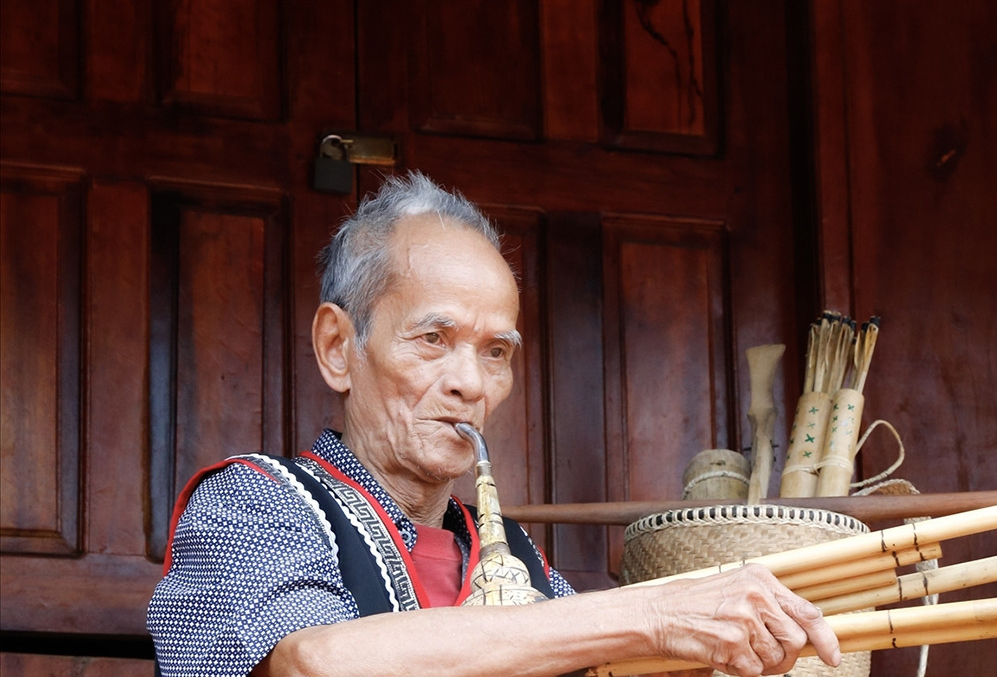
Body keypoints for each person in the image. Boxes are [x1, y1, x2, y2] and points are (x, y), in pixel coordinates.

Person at [148, 172, 841, 677]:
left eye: (496, 352)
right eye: (433, 339)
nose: (471, 384)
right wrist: (654, 614)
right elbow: (315, 663)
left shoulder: (510, 554)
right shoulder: (252, 503)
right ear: (338, 348)